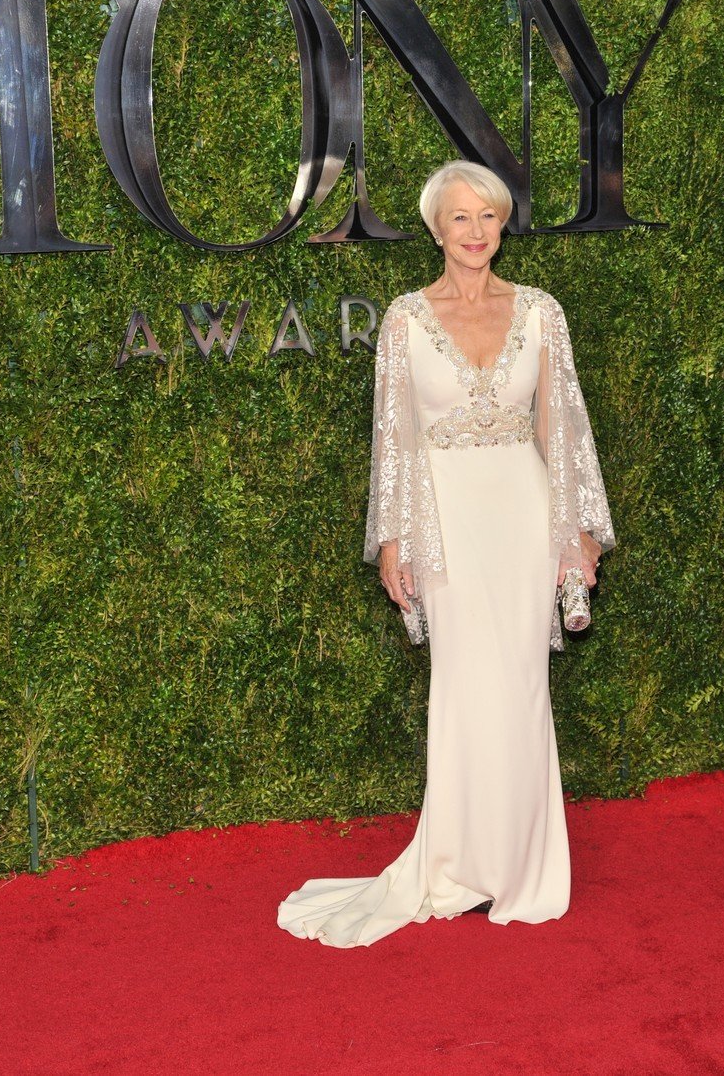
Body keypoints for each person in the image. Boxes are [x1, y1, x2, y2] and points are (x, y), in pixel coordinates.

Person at [277, 160, 616, 948]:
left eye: (488, 217)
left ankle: (524, 872)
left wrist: (574, 534)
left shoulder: (540, 313)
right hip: (445, 522)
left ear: (503, 226)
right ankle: (459, 860)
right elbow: (393, 439)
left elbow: (561, 429)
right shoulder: (403, 319)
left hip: (523, 516)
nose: (475, 232)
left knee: (524, 690)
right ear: (437, 228)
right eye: (459, 218)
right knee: (463, 690)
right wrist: (394, 538)